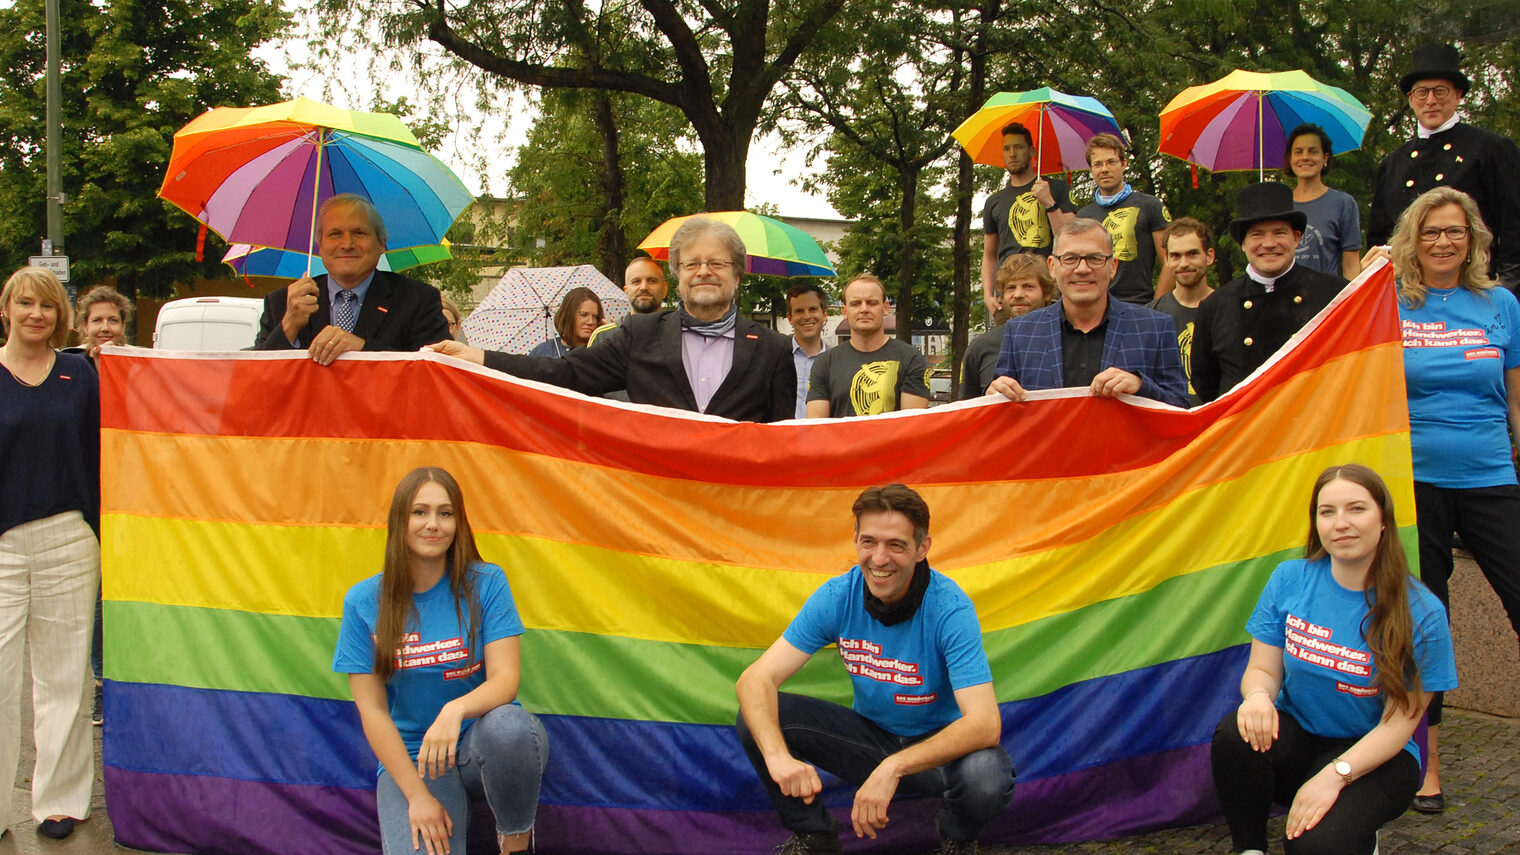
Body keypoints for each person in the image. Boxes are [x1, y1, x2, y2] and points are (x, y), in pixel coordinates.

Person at [735, 484, 1014, 855]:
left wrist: (893, 767)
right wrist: (777, 757)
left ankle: (957, 838)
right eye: (869, 542)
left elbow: (984, 723)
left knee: (987, 776)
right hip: (868, 740)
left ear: (922, 548)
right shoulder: (838, 597)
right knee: (758, 715)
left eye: (896, 545)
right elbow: (755, 679)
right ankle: (815, 836)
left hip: (939, 750)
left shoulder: (950, 607)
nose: (879, 558)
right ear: (855, 539)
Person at [1362, 186, 1520, 814]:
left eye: (1456, 231)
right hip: (1414, 479)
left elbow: (1514, 399)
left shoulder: (1501, 303)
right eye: (1431, 232)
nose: (1444, 242)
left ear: (1474, 238)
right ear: (1412, 239)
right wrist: (1365, 278)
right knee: (1426, 622)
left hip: (1490, 474)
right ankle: (1425, 763)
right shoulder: (1390, 300)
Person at [1211, 464, 1456, 855]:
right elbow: (1261, 669)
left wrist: (1336, 776)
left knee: (1316, 846)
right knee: (1234, 736)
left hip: (1377, 756)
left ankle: (1356, 830)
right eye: (1327, 512)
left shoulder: (1421, 611)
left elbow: (1398, 725)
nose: (1340, 523)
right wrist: (1257, 695)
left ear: (1383, 522)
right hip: (1301, 740)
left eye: (1356, 509)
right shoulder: (1289, 578)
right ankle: (1250, 849)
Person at [333, 467, 548, 855]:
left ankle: (515, 846)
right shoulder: (364, 602)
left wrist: (455, 710)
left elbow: (505, 680)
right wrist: (417, 797)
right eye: (420, 512)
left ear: (458, 523)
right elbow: (374, 712)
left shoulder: (487, 582)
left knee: (511, 726)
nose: (433, 524)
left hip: (481, 746)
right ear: (401, 520)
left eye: (445, 513)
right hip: (416, 761)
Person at [427, 217, 796, 423]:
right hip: (653, 507)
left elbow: (781, 441)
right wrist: (481, 358)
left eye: (717, 263)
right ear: (678, 274)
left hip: (736, 513)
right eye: (692, 263)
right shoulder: (640, 334)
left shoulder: (774, 349)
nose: (704, 272)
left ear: (737, 275)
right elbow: (564, 373)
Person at [0, 267, 100, 841]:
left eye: (47, 305)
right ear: (8, 308)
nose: (36, 314)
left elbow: (97, 450)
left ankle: (61, 801)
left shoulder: (80, 374)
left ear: (59, 313)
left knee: (65, 678)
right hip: (3, 544)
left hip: (69, 537)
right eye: (25, 303)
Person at [988, 219, 1188, 408]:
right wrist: (994, 396)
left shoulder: (1154, 328)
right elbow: (1003, 417)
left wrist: (1140, 386)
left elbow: (1180, 409)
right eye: (1070, 259)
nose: (1082, 269)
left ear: (1113, 267)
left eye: (1095, 258)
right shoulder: (1020, 332)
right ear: (1052, 267)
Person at [1368, 43, 1520, 291]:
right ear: (1410, 98)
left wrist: (1506, 288)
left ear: (1457, 94)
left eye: (1440, 91)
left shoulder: (1490, 148)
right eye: (1422, 93)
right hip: (1409, 292)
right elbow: (1379, 235)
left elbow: (1514, 226)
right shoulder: (1393, 163)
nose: (1431, 101)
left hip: (1475, 288)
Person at [1191, 183, 1346, 403]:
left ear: (1297, 237)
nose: (1269, 244)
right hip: (1245, 429)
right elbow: (1205, 383)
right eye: (1257, 235)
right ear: (1243, 243)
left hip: (1314, 429)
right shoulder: (1214, 306)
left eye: (1279, 233)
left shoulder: (1335, 294)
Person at [254, 194, 452, 363]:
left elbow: (436, 372)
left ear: (382, 244)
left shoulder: (418, 301)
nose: (347, 244)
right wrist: (288, 326)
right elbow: (257, 380)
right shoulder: (283, 302)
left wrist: (363, 350)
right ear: (320, 247)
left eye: (359, 233)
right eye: (335, 234)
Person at [981, 122, 1076, 315]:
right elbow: (990, 254)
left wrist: (1049, 202)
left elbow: (1072, 239)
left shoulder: (1056, 189)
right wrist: (988, 295)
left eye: (1018, 147)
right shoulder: (994, 201)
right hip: (1009, 293)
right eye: (1007, 148)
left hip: (1049, 290)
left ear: (1032, 151)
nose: (1012, 154)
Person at [806, 275, 929, 418]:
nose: (864, 309)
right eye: (856, 303)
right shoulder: (824, 363)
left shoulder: (911, 359)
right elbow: (816, 428)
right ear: (845, 311)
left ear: (885, 308)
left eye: (872, 303)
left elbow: (912, 427)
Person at [1075, 133, 1174, 304]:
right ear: (1091, 170)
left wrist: (1157, 306)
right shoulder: (1083, 216)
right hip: (1095, 307)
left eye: (1111, 162)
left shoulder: (1151, 205)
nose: (1104, 169)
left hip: (1139, 304)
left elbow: (1171, 261)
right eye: (1097, 164)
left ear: (1124, 164)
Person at [960, 254, 1055, 399]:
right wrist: (989, 396)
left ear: (1046, 293)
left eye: (1028, 286)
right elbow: (965, 408)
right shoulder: (981, 346)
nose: (1018, 294)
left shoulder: (1062, 337)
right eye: (1011, 288)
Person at [1148, 218, 1217, 405]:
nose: (1184, 263)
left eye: (1192, 254)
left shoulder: (1229, 310)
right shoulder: (1150, 316)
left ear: (1209, 256)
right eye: (1176, 256)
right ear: (1167, 260)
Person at [1284, 124, 1362, 280]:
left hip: (1328, 298)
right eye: (1298, 152)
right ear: (1290, 159)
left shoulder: (1343, 203)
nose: (1305, 157)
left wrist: (1354, 301)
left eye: (1313, 151)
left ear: (1325, 158)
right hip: (1283, 299)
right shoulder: (1279, 204)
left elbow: (1351, 265)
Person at [786, 282, 830, 419]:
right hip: (782, 437)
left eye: (812, 309)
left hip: (821, 437)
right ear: (790, 318)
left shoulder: (836, 361)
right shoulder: (775, 355)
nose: (807, 316)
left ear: (824, 315)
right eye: (799, 311)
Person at [527, 287, 604, 358]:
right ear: (569, 315)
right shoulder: (543, 352)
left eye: (595, 317)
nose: (590, 322)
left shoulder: (601, 352)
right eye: (584, 315)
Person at [65, 285, 132, 364]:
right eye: (97, 320)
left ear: (123, 326)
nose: (105, 328)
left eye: (113, 320)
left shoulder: (135, 367)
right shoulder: (72, 366)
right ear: (85, 326)